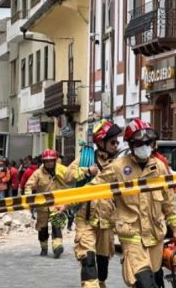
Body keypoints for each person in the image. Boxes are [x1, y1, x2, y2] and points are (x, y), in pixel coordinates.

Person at [87, 118, 176, 287]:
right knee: (144, 281)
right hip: (132, 236)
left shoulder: (159, 167)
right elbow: (94, 186)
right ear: (131, 146)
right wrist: (66, 201)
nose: (145, 147)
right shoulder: (118, 167)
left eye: (148, 143)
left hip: (155, 235)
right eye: (139, 144)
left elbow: (168, 200)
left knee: (154, 280)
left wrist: (175, 228)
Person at [64, 119, 122, 288]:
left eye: (117, 141)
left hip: (106, 223)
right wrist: (87, 171)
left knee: (102, 270)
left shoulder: (119, 164)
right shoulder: (86, 159)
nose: (116, 145)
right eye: (112, 141)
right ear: (101, 142)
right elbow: (68, 176)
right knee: (88, 261)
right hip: (86, 220)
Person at [25, 149, 68, 258]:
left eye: (51, 161)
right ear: (44, 162)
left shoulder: (61, 171)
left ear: (55, 161)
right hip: (42, 206)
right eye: (47, 161)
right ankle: (44, 247)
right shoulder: (38, 173)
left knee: (56, 225)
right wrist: (29, 197)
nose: (49, 163)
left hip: (57, 204)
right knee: (42, 228)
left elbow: (71, 176)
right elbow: (28, 185)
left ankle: (57, 246)